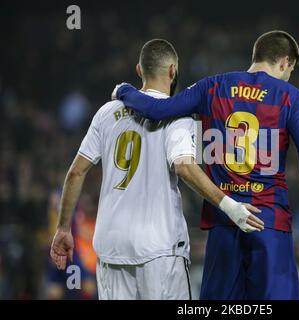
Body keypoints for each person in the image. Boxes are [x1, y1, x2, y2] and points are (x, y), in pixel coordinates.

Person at [112, 31, 299, 299]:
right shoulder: (291, 97)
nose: (289, 76)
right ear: (284, 62)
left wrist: (123, 90)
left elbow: (158, 110)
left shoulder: (212, 86)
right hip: (269, 222)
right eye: (290, 70)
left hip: (224, 222)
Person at [50, 39, 263, 300]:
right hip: (160, 250)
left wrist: (63, 228)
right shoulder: (179, 115)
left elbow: (76, 172)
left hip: (110, 248)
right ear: (173, 70)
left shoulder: (107, 112)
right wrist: (230, 206)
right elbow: (184, 167)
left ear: (139, 70)